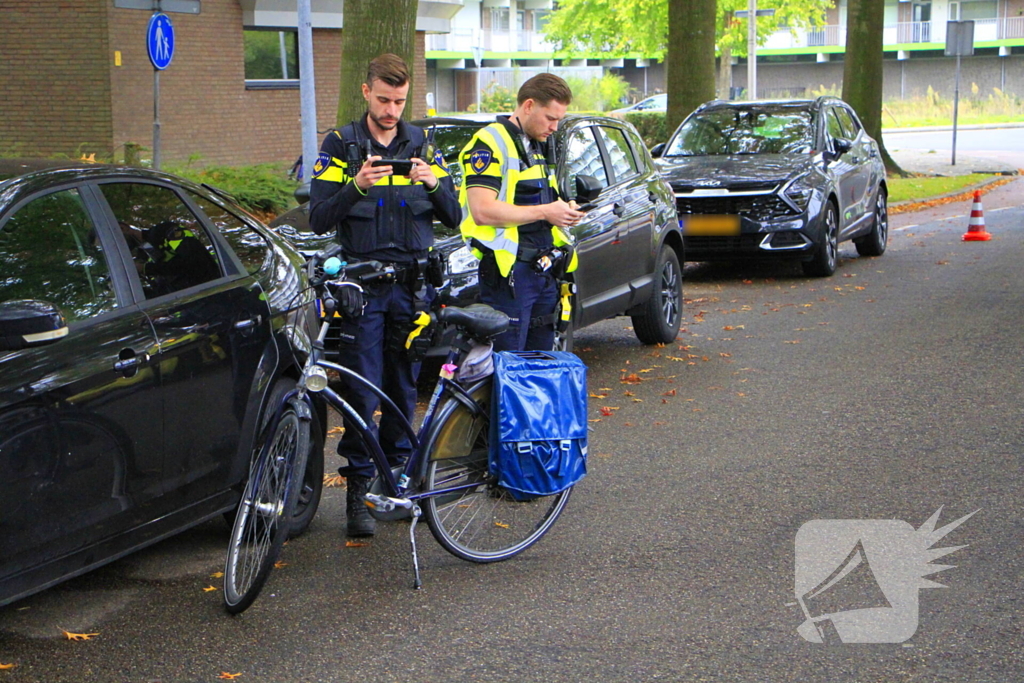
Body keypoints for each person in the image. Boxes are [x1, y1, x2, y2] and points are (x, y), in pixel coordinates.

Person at [308, 53, 461, 537]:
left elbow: (455, 216)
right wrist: (355, 186)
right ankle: (358, 491)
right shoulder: (341, 144)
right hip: (365, 290)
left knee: (403, 386)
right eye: (384, 99)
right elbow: (318, 217)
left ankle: (394, 481)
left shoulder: (422, 143)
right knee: (360, 389)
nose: (392, 110)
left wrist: (434, 183)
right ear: (366, 92)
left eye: (399, 100)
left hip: (412, 290)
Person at [458, 73, 584, 352]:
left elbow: (540, 200)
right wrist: (545, 212)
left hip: (542, 270)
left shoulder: (535, 144)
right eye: (551, 118)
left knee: (539, 364)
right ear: (528, 106)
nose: (555, 126)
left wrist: (564, 209)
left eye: (559, 119)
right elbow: (482, 210)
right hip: (509, 277)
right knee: (509, 365)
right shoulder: (489, 144)